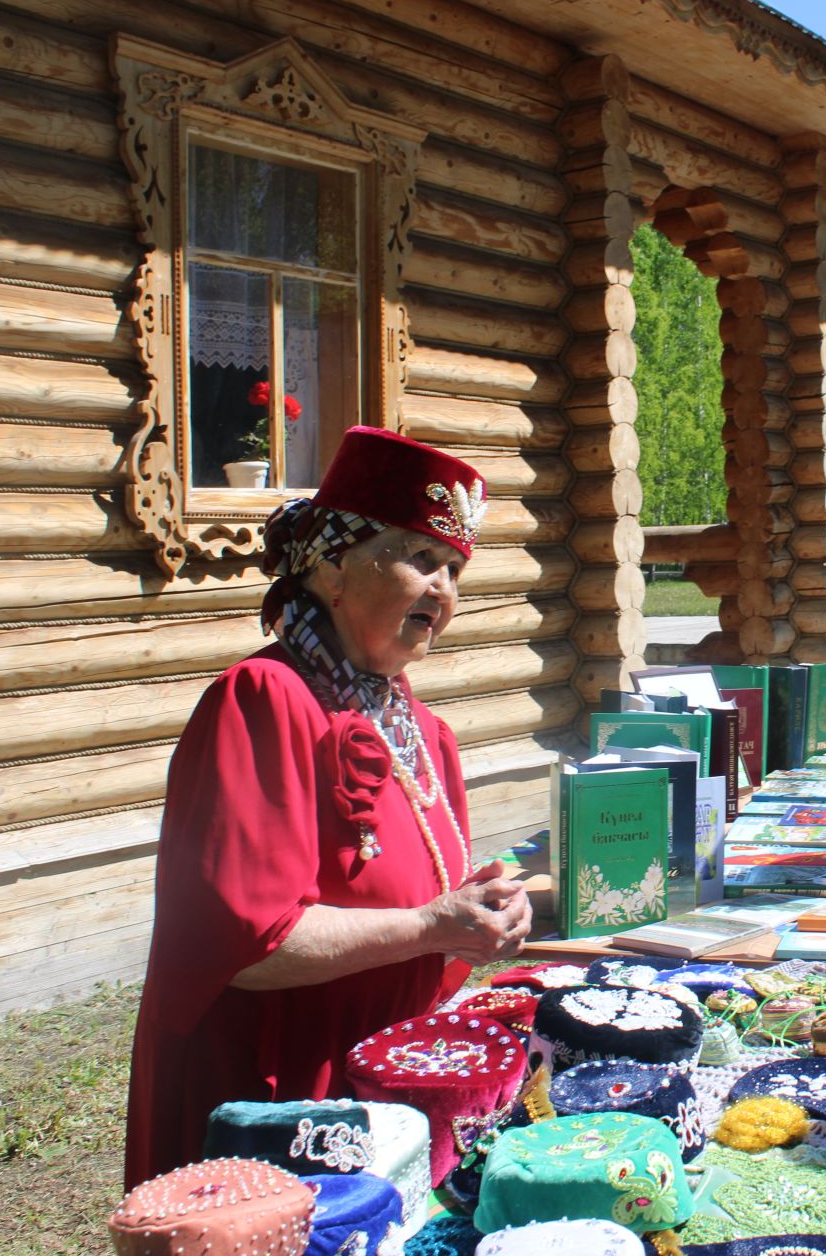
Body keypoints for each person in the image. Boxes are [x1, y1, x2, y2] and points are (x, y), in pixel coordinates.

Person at [124, 426, 534, 1187]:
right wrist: (428, 926)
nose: (442, 589)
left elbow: (429, 921)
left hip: (387, 1085)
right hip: (278, 1096)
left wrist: (480, 919)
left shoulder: (426, 732)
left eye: (453, 569)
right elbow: (247, 945)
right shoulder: (263, 700)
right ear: (333, 567)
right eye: (418, 558)